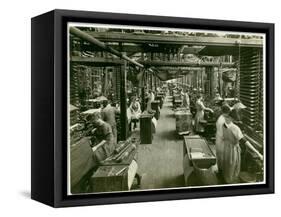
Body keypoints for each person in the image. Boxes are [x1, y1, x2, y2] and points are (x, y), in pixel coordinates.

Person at [222, 109, 250, 184]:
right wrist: (258, 153)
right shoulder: (235, 128)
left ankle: (226, 179)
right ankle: (232, 183)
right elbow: (245, 141)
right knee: (233, 166)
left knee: (227, 165)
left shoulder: (224, 124)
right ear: (235, 118)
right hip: (233, 150)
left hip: (226, 148)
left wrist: (237, 124)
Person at [215, 104, 231, 174]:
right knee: (222, 156)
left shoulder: (221, 117)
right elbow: (227, 130)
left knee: (219, 156)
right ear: (227, 112)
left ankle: (220, 171)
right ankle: (222, 173)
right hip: (222, 140)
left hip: (219, 138)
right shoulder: (223, 120)